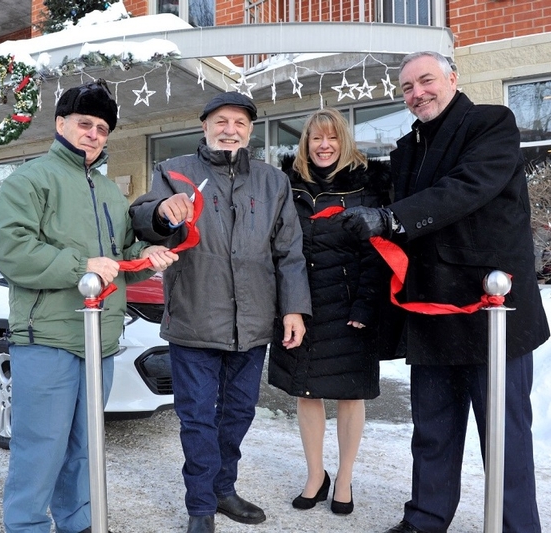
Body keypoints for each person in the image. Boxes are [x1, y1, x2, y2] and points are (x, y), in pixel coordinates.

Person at [338, 51, 549, 533]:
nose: (417, 94)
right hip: (430, 309)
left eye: (425, 81)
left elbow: (467, 187)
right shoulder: (407, 147)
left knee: (504, 434)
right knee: (432, 430)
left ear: (452, 78)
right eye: (407, 88)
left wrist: (393, 220)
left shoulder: (491, 123)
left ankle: (518, 526)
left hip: (491, 311)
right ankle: (426, 519)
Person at [0, 80, 178, 533]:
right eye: (84, 124)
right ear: (61, 124)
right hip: (48, 339)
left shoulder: (110, 193)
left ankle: (78, 524)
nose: (93, 134)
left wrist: (148, 261)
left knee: (84, 447)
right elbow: (11, 249)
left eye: (101, 128)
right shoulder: (31, 180)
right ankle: (27, 526)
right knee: (41, 448)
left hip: (100, 342)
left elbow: (120, 263)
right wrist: (81, 265)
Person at [129, 92, 312, 533]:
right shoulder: (173, 172)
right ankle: (200, 508)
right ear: (205, 127)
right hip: (195, 318)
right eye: (222, 121)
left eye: (240, 123)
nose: (231, 129)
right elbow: (141, 217)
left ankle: (223, 489)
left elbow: (288, 252)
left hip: (252, 323)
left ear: (250, 132)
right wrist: (160, 212)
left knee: (238, 413)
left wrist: (294, 309)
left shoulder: (273, 182)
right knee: (197, 417)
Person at [268, 107, 391, 516]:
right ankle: (315, 474)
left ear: (345, 142)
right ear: (306, 144)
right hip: (302, 306)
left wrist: (366, 304)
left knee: (350, 394)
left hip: (350, 305)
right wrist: (289, 306)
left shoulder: (367, 187)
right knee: (307, 391)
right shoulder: (287, 186)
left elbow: (377, 253)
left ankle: (344, 477)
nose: (324, 146)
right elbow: (280, 249)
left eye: (333, 138)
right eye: (316, 138)